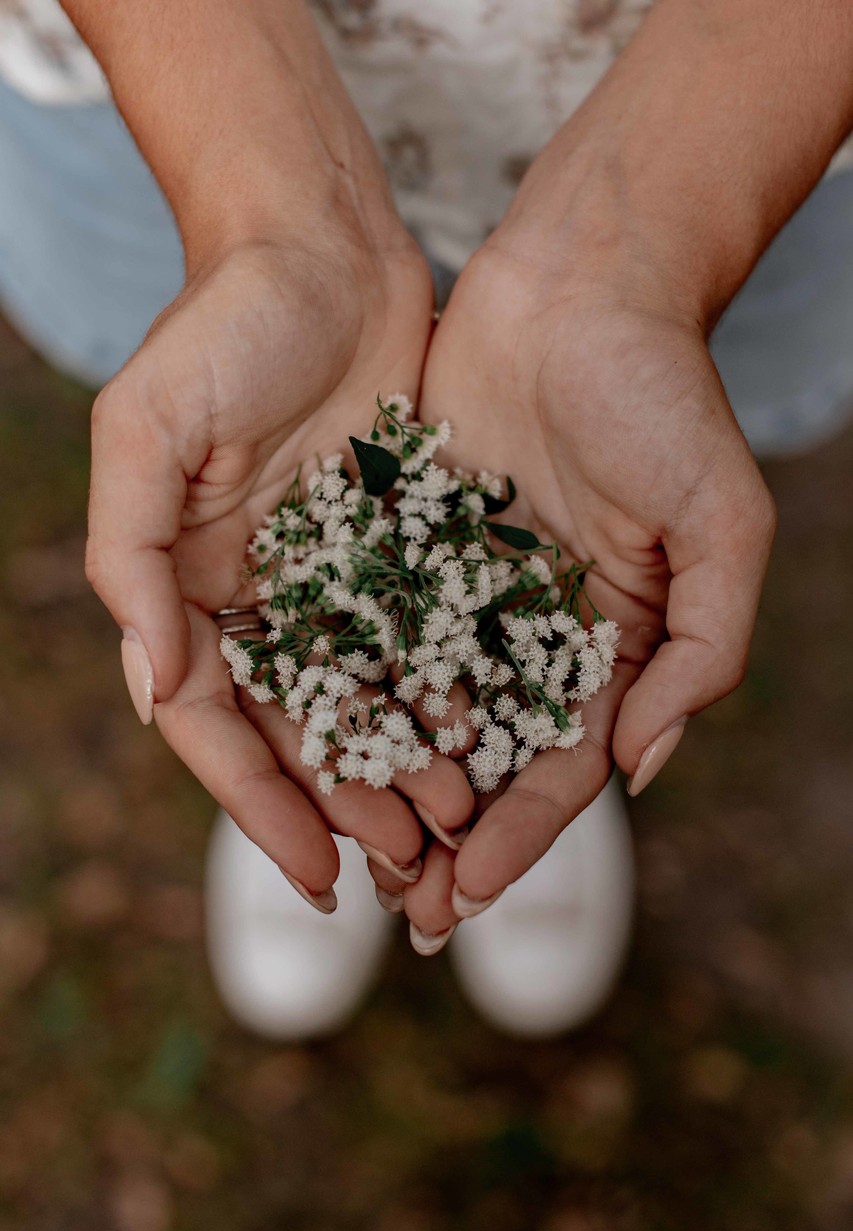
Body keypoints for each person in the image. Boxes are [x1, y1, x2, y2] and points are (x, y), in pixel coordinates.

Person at [1, 0, 852, 1038]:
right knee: (201, 377)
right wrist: (264, 218)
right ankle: (364, 764)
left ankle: (491, 756)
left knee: (654, 433)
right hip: (175, 67)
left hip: (755, 92)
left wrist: (649, 242)